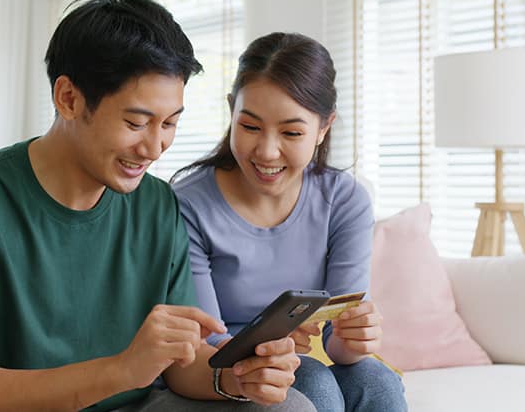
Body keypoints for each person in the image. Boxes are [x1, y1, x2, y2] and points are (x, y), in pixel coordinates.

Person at [0, 0, 316, 411]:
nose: (155, 147)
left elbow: (181, 366)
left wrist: (236, 375)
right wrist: (122, 370)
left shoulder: (156, 205)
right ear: (69, 98)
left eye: (169, 123)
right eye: (136, 122)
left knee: (286, 407)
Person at [171, 32, 408, 412]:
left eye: (291, 133)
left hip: (301, 359)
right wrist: (270, 343)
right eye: (249, 126)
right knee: (312, 381)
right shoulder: (188, 204)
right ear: (232, 110)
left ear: (323, 128)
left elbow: (338, 345)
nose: (266, 151)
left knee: (375, 380)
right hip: (228, 372)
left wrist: (355, 337)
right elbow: (208, 342)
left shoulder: (345, 201)